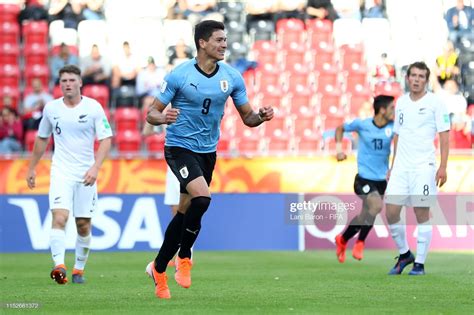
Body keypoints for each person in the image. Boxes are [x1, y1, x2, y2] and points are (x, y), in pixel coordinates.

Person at [144, 20, 274, 299]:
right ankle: (185, 257)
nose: (224, 44)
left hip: (207, 151)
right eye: (218, 40)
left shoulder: (232, 77)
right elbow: (151, 113)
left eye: (225, 40)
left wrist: (261, 117)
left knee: (183, 212)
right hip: (178, 147)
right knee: (202, 198)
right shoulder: (179, 75)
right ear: (202, 43)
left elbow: (248, 118)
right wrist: (162, 117)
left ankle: (157, 268)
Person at [26, 65, 112, 284]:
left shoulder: (93, 107)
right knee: (60, 217)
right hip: (61, 172)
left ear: (80, 82)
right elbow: (42, 138)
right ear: (59, 84)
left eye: (72, 80)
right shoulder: (51, 109)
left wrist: (95, 168)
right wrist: (32, 167)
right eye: (64, 81)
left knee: (83, 224)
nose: (68, 84)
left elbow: (106, 139)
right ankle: (59, 266)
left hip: (86, 174)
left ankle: (78, 270)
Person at [384, 61, 450, 276]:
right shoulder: (401, 103)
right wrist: (393, 166)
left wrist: (443, 166)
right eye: (413, 75)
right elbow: (397, 135)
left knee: (421, 213)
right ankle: (405, 255)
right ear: (407, 78)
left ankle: (419, 264)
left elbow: (444, 135)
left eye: (421, 76)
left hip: (424, 167)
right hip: (401, 168)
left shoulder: (436, 103)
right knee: (391, 211)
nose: (416, 79)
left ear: (426, 80)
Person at [334, 95, 395, 263]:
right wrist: (339, 150)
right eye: (392, 108)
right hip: (363, 179)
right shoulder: (363, 124)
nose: (394, 112)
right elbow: (339, 128)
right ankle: (360, 242)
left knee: (365, 215)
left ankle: (343, 239)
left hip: (381, 180)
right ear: (382, 110)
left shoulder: (393, 128)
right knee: (376, 205)